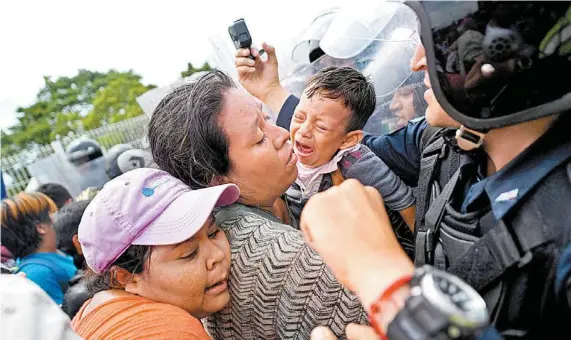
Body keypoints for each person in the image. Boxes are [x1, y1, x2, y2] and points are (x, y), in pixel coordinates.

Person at [297, 1, 571, 339]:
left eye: (438, 40)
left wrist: (389, 285)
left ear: (506, 52)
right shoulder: (438, 141)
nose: (417, 61)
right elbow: (346, 140)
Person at [148, 71, 368, 339]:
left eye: (267, 119)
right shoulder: (283, 257)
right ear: (216, 180)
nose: (283, 135)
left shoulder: (275, 197)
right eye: (259, 137)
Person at [71, 168, 240, 340]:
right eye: (189, 253)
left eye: (212, 233)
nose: (217, 255)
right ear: (125, 277)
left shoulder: (89, 315)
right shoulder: (173, 332)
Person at [286, 66, 415, 229]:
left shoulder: (356, 162)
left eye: (321, 127)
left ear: (348, 140)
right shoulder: (283, 154)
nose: (303, 131)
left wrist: (423, 251)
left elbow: (403, 200)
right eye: (299, 117)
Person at [1, 192, 77, 305]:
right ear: (41, 227)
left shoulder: (54, 253)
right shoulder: (37, 274)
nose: (58, 215)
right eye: (52, 212)